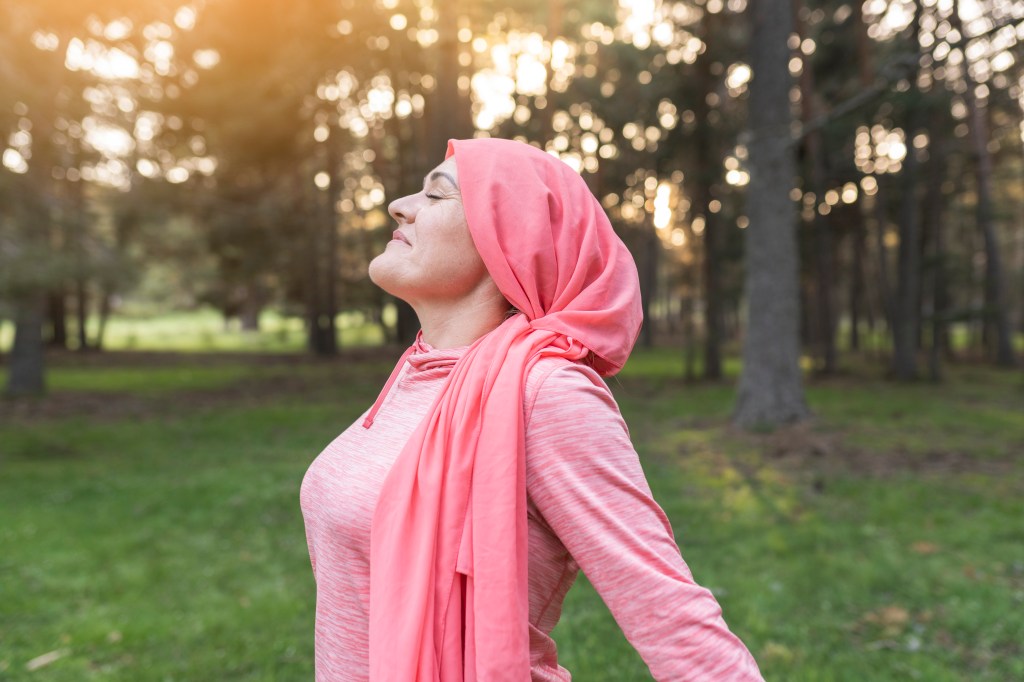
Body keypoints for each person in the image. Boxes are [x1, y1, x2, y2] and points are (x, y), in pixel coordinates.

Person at [300, 138, 764, 682]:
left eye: (436, 193)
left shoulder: (546, 392)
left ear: (507, 242)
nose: (400, 205)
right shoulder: (420, 369)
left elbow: (668, 612)